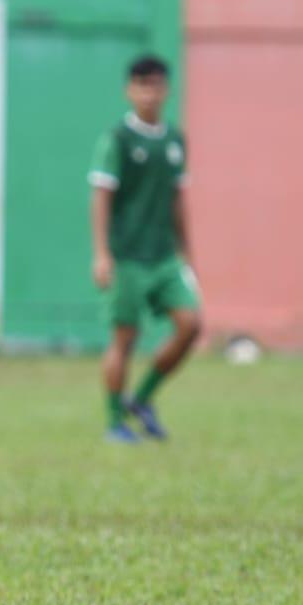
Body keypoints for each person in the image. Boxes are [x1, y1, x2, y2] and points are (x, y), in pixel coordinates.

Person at [88, 54, 202, 444]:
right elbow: (101, 196)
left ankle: (143, 398)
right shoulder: (117, 139)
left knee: (191, 324)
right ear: (129, 91)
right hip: (127, 256)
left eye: (156, 86)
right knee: (125, 338)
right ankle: (115, 420)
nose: (149, 94)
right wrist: (102, 253)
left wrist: (188, 254)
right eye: (142, 86)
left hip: (164, 256)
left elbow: (177, 200)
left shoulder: (174, 140)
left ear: (166, 89)